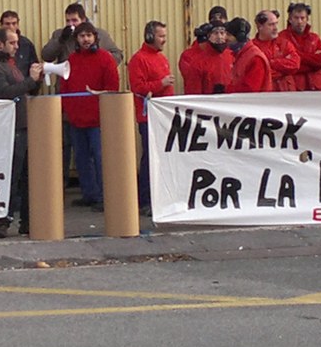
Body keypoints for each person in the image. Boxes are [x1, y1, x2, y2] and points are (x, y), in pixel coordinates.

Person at [0, 27, 43, 238]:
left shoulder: (11, 66)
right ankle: (2, 221)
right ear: (0, 45)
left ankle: (27, 221)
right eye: (12, 43)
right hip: (10, 129)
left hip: (22, 127)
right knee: (12, 176)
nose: (17, 46)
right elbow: (4, 93)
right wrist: (29, 81)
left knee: (27, 177)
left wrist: (36, 80)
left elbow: (25, 90)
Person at [62, 22, 119, 208]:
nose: (85, 39)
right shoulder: (71, 60)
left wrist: (98, 96)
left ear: (95, 37)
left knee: (100, 158)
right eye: (81, 36)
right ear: (76, 40)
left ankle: (105, 196)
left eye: (88, 35)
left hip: (98, 119)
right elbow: (65, 87)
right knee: (81, 158)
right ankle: (89, 194)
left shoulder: (105, 58)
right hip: (76, 119)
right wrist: (69, 110)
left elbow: (112, 88)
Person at [128, 20, 173, 210]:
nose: (164, 40)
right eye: (161, 36)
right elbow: (137, 88)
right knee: (150, 158)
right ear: (149, 36)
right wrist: (160, 84)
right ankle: (145, 199)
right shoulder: (138, 60)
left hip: (163, 116)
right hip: (148, 117)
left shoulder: (161, 58)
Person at [41, 2, 122, 65]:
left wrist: (100, 59)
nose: (70, 24)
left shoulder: (100, 34)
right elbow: (46, 56)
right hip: (67, 82)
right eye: (68, 21)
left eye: (74, 20)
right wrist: (61, 40)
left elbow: (118, 56)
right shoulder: (59, 34)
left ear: (83, 19)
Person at [277, 2, 321, 91]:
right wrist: (311, 63)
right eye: (296, 18)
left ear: (307, 19)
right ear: (290, 19)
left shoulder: (315, 38)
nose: (299, 21)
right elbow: (284, 66)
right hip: (292, 89)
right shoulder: (281, 38)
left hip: (314, 89)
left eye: (302, 18)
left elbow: (320, 61)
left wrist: (296, 56)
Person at [180, 22, 234, 94]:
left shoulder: (233, 56)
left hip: (231, 102)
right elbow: (193, 93)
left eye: (222, 33)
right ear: (208, 36)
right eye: (215, 33)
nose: (219, 37)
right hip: (208, 102)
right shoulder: (198, 62)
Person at [252, 10, 301, 88]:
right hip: (266, 94)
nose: (275, 28)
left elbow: (295, 64)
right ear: (260, 26)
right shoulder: (252, 48)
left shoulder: (284, 44)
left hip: (287, 93)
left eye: (276, 24)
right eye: (271, 25)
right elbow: (258, 74)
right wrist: (284, 70)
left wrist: (271, 62)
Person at [227, 17, 273, 92]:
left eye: (229, 35)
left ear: (240, 37)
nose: (225, 38)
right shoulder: (242, 55)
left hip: (254, 103)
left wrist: (227, 89)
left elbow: (250, 90)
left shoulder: (255, 58)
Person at [0, 10, 38, 76]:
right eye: (7, 24)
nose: (11, 27)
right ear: (1, 25)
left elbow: (34, 66)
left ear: (18, 25)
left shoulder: (26, 44)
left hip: (24, 83)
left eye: (14, 23)